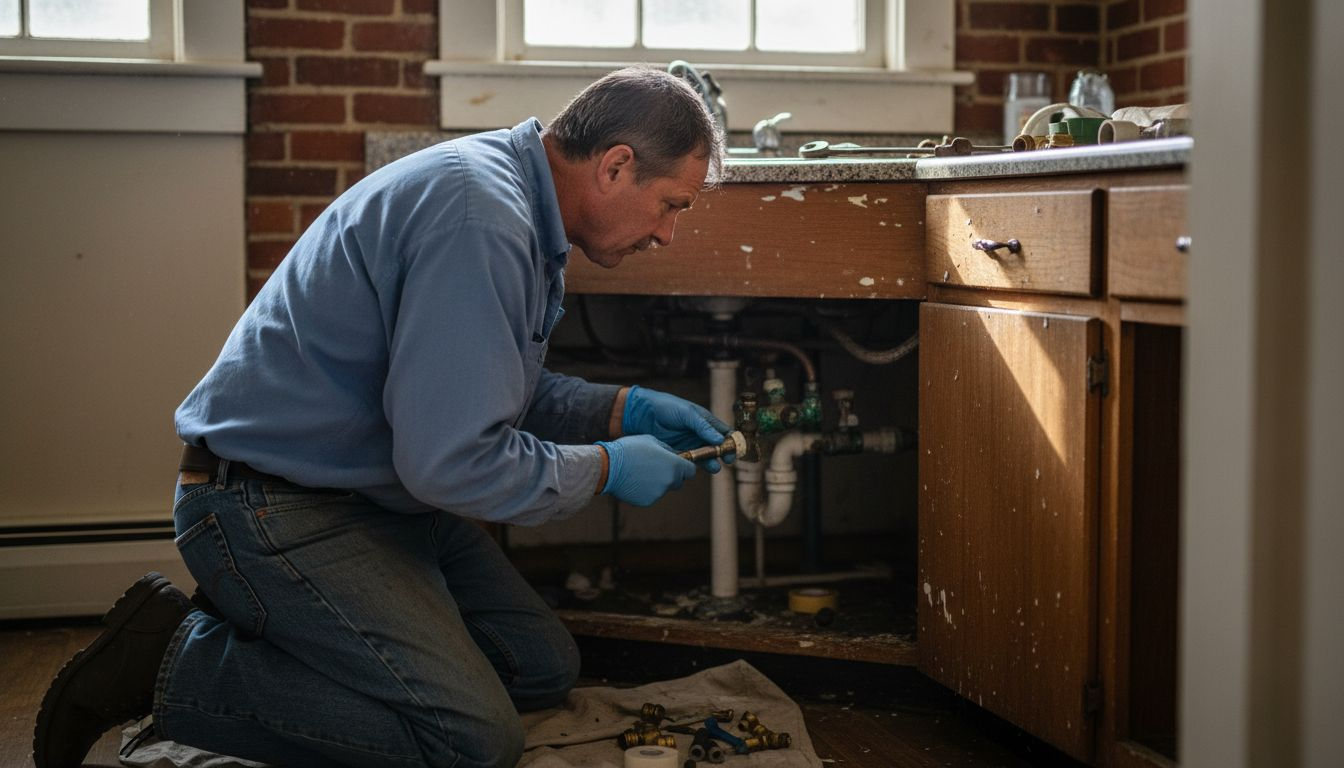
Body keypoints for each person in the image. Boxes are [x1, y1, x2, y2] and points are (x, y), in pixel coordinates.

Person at [34, 66, 727, 768]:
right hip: (265, 503)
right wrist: (605, 472)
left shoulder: (512, 196)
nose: (668, 234)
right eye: (671, 205)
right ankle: (171, 660)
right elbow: (452, 463)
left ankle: (291, 632)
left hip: (368, 497)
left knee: (538, 664)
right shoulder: (482, 217)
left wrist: (617, 411)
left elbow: (477, 384)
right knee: (473, 743)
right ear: (615, 165)